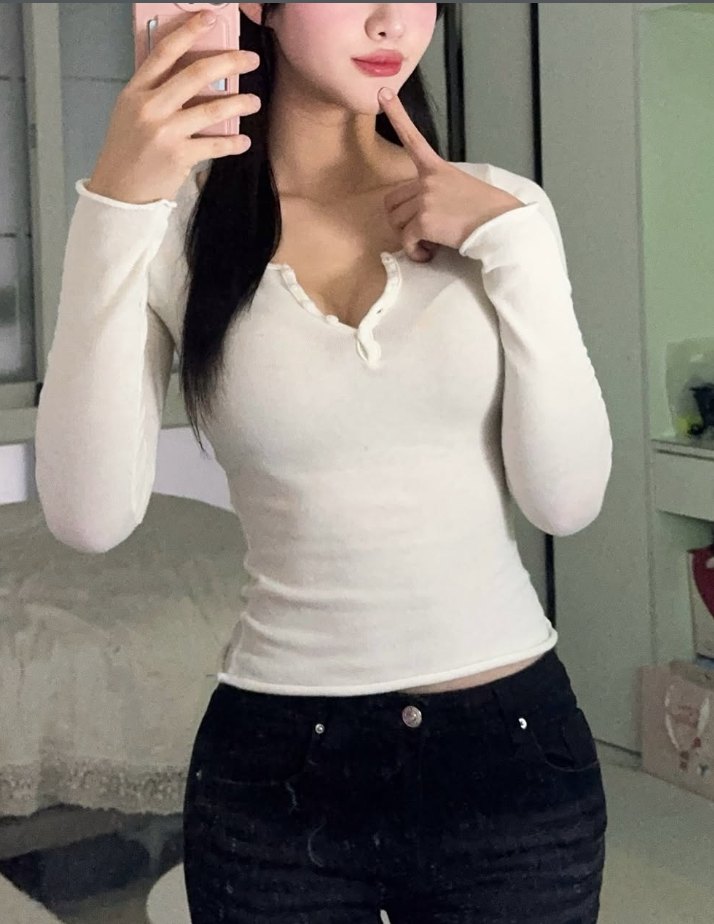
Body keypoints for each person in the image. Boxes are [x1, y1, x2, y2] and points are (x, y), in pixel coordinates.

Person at [34, 3, 613, 922]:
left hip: (509, 755)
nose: (391, 21)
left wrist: (519, 249)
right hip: (276, 771)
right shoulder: (173, 226)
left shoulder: (501, 210)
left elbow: (566, 502)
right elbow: (87, 515)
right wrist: (115, 201)